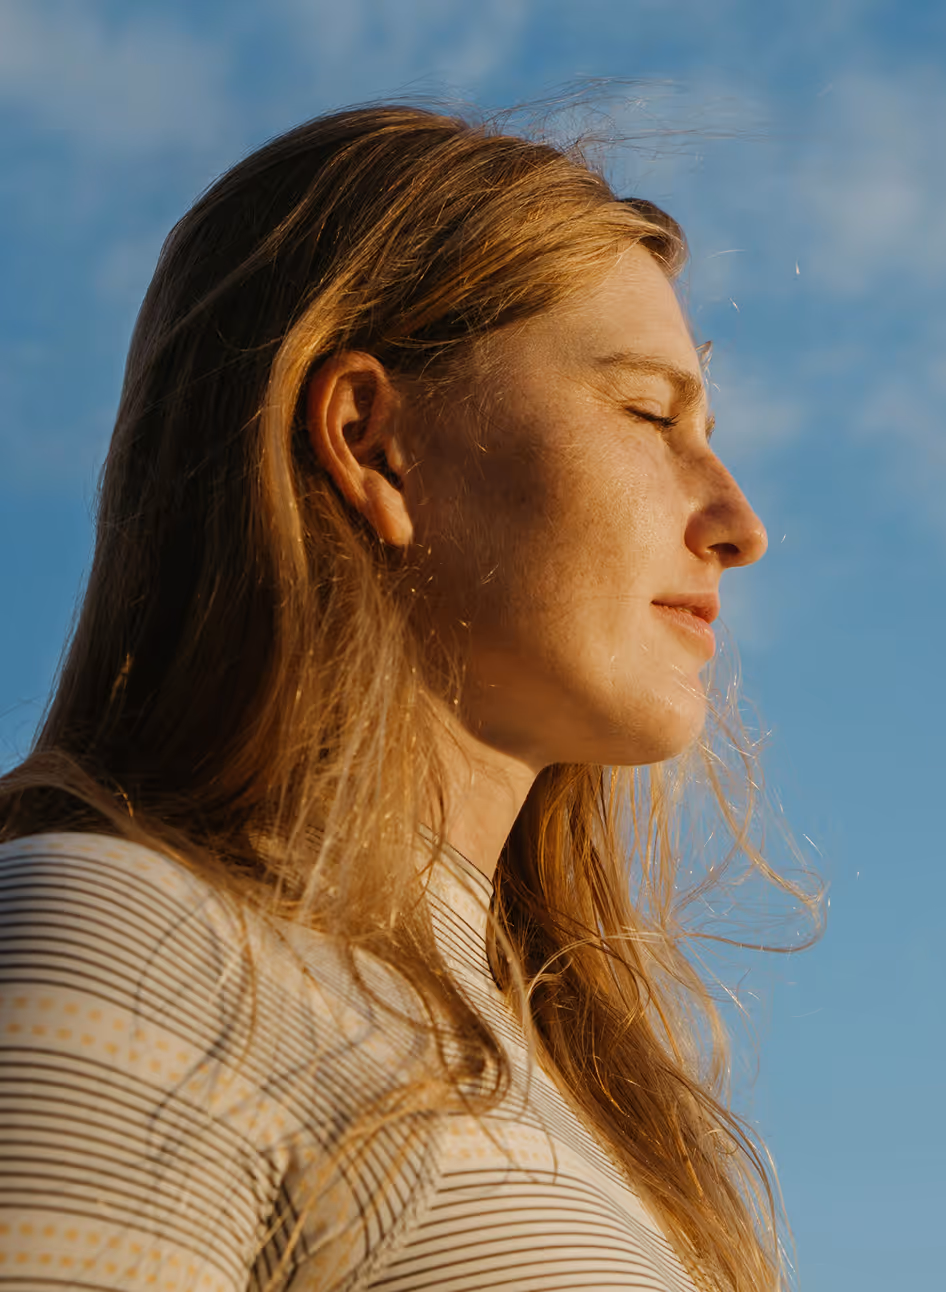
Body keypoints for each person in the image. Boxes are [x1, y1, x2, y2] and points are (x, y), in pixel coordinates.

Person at [0, 103, 814, 1292]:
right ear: (368, 439)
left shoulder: (574, 1092)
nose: (736, 525)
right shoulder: (139, 941)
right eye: (647, 413)